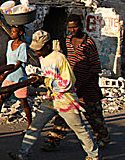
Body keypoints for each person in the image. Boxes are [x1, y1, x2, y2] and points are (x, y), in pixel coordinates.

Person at [8, 30, 99, 160]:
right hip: (51, 99)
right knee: (35, 127)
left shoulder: (59, 58)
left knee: (80, 130)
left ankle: (93, 156)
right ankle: (23, 153)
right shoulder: (42, 58)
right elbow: (48, 77)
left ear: (47, 47)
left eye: (39, 50)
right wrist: (39, 79)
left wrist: (45, 81)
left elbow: (68, 82)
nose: (36, 53)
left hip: (65, 100)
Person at [43, 14, 110, 151]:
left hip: (88, 86)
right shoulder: (67, 40)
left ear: (81, 26)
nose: (73, 30)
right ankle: (53, 140)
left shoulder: (89, 43)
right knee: (64, 113)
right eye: (70, 28)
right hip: (72, 85)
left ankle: (102, 138)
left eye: (75, 27)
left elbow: (95, 69)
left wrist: (81, 84)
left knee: (94, 117)